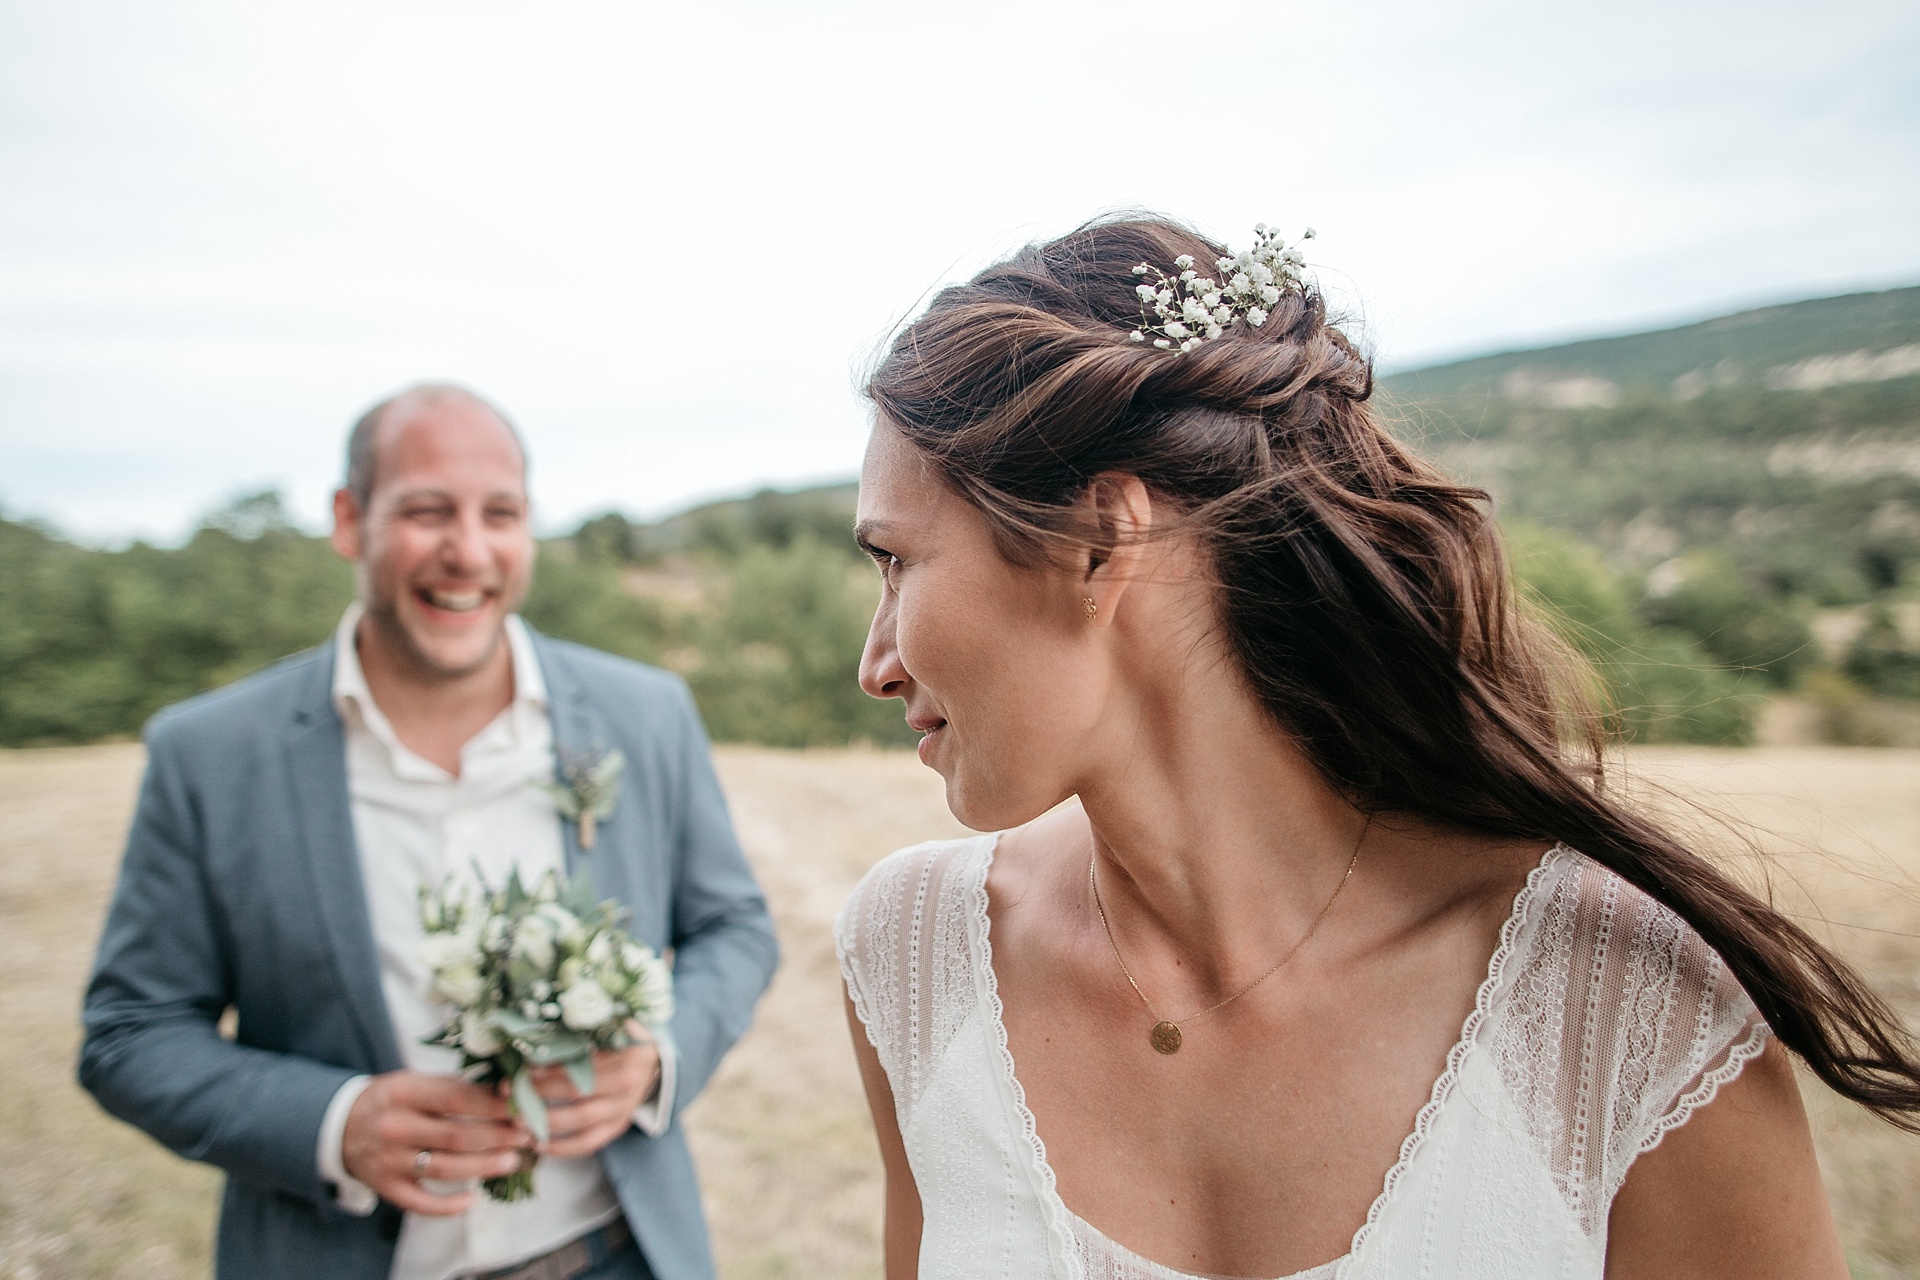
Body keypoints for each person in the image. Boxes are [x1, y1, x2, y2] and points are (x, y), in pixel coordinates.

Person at [834, 217, 1920, 1279]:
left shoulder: (1622, 1008)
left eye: (896, 559)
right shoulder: (918, 954)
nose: (877, 663)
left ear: (1104, 538)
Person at [81, 385, 778, 1280]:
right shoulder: (209, 756)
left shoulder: (644, 715)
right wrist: (334, 1122)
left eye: (501, 514)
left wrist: (656, 1057)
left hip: (615, 1253)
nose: (469, 552)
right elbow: (129, 1032)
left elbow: (736, 928)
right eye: (425, 511)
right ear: (348, 519)